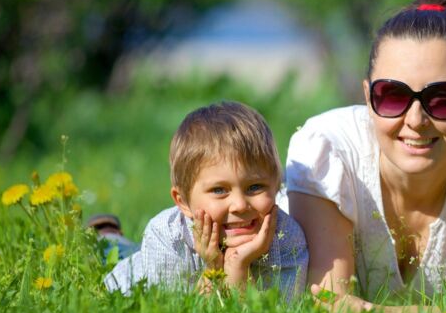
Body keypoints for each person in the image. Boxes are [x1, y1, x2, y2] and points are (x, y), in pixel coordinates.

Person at [282, 0, 446, 313]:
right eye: (393, 96)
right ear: (368, 98)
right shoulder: (327, 151)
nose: (415, 120)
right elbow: (329, 309)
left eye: (442, 98)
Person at [103, 101, 308, 300]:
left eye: (255, 187)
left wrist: (237, 266)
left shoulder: (287, 238)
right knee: (110, 252)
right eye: (219, 190)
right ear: (182, 202)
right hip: (135, 273)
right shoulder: (166, 236)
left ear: (276, 186)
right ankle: (108, 238)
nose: (239, 205)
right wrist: (213, 268)